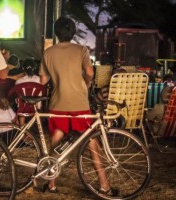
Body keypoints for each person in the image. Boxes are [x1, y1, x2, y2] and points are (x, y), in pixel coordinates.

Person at [39, 16, 117, 196]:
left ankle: (51, 184)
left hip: (58, 103)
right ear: (72, 32)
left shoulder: (48, 53)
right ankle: (104, 185)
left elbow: (43, 80)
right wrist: (86, 82)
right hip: (79, 103)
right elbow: (90, 72)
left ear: (57, 33)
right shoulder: (80, 50)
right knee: (91, 144)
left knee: (56, 144)